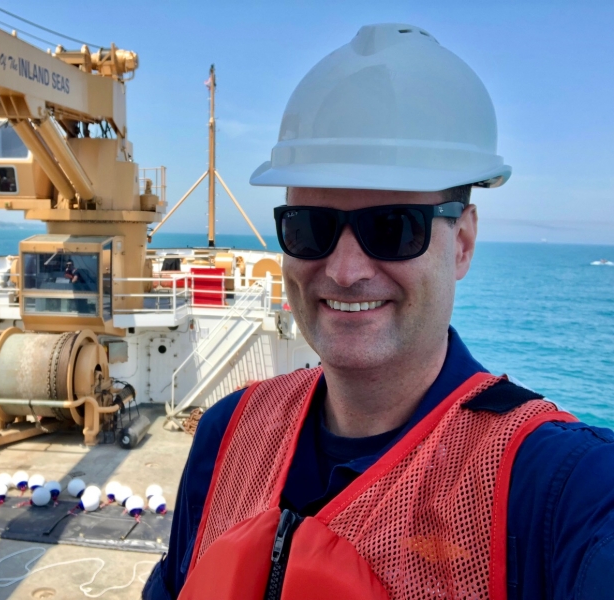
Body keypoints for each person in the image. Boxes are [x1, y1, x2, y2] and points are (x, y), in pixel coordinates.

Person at [143, 23, 614, 600]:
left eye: (392, 227)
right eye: (310, 227)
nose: (344, 270)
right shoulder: (226, 435)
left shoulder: (556, 489)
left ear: (462, 243)